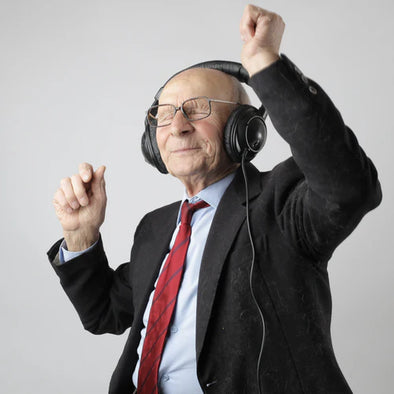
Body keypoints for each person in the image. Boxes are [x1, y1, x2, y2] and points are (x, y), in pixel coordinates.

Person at [48, 4, 382, 394]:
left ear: (245, 131)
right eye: (165, 113)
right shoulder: (155, 228)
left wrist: (266, 64)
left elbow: (350, 188)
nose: (177, 126)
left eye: (198, 109)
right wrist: (81, 236)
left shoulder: (282, 202)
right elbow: (104, 313)